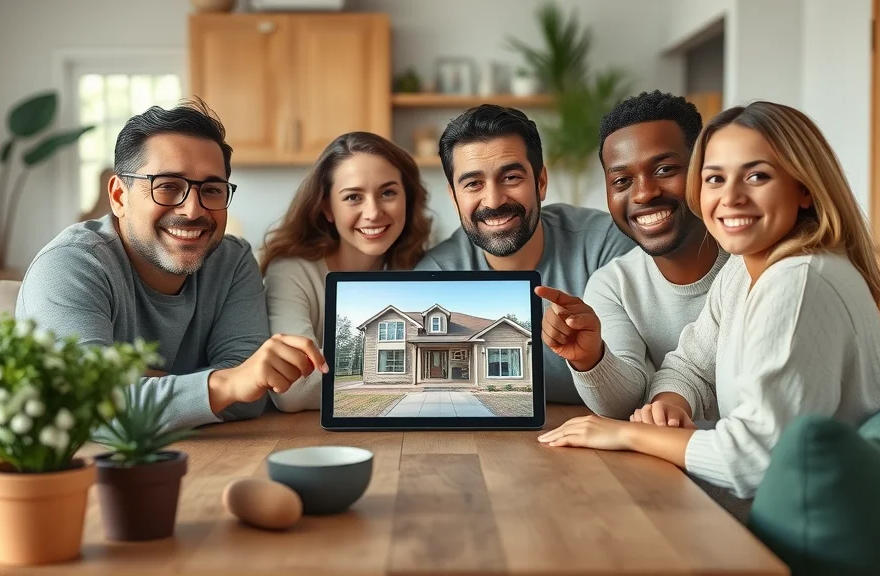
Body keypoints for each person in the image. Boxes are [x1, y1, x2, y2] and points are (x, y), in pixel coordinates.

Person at [537, 101, 880, 511]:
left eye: (756, 176)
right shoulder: (744, 270)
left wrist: (628, 435)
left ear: (804, 188)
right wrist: (669, 405)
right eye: (715, 178)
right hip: (792, 500)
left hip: (833, 520)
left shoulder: (798, 281)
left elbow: (754, 461)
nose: (730, 197)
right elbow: (691, 365)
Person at [0, 100, 326, 463]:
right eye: (167, 186)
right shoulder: (70, 265)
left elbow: (250, 400)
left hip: (163, 462)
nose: (193, 209)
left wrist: (141, 385)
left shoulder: (231, 261)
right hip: (25, 479)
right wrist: (223, 384)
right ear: (119, 196)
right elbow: (89, 408)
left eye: (212, 190)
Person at [415, 104, 636, 404]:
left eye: (511, 178)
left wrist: (591, 358)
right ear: (454, 197)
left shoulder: (606, 247)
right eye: (473, 184)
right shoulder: (435, 274)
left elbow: (637, 388)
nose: (493, 200)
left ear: (541, 182)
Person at [536, 91, 730, 420]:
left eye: (666, 169)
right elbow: (625, 403)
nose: (643, 193)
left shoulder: (748, 264)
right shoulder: (613, 284)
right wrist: (591, 357)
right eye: (622, 180)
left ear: (703, 169)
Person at [259, 132, 433, 412]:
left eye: (388, 193)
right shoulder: (292, 271)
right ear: (327, 207)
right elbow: (293, 390)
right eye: (353, 197)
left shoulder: (422, 266)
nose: (373, 212)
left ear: (407, 198)